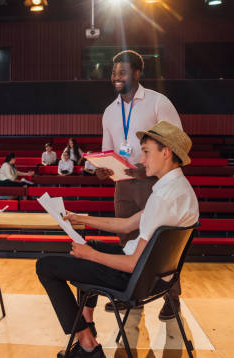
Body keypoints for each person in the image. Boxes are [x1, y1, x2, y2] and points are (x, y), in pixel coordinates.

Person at [36, 120, 198, 358]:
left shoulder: (163, 198)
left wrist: (89, 255)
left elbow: (133, 264)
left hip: (136, 279)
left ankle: (87, 343)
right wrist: (81, 218)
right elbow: (127, 225)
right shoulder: (179, 189)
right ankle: (86, 321)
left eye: (146, 152)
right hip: (158, 277)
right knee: (93, 242)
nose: (142, 160)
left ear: (166, 153)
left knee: (45, 266)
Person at [98, 49, 184, 320]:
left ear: (137, 73)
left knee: (160, 242)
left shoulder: (158, 103)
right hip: (122, 183)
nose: (116, 77)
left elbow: (177, 143)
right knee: (127, 239)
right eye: (113, 73)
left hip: (154, 183)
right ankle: (131, 294)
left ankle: (171, 296)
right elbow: (107, 150)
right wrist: (102, 169)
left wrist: (147, 168)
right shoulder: (110, 111)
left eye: (122, 72)